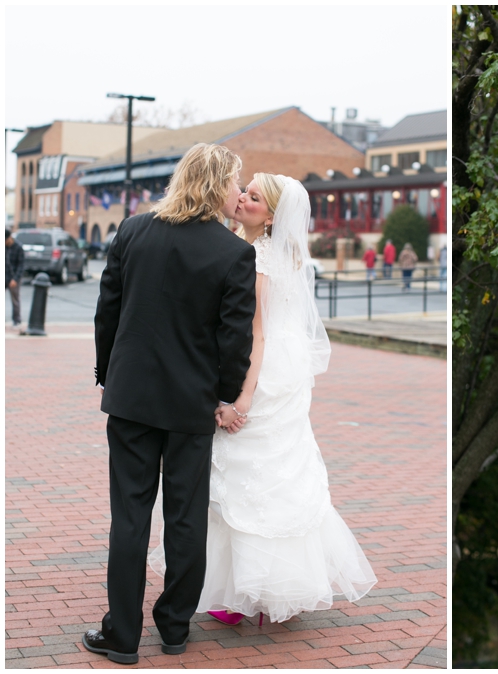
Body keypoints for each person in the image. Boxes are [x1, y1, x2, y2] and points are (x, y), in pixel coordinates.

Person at [149, 173, 376, 625]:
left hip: (262, 373)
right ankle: (260, 588)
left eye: (253, 197)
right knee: (274, 473)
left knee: (241, 472)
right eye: (245, 191)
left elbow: (256, 334)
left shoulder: (256, 257)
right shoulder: (268, 249)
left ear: (271, 216)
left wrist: (243, 399)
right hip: (287, 371)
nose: (242, 199)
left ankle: (245, 591)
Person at [86, 144, 256, 665]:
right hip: (191, 405)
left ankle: (121, 635)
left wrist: (106, 372)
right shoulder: (233, 253)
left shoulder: (134, 230)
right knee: (186, 518)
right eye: (234, 182)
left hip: (133, 397)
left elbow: (107, 311)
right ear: (213, 183)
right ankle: (174, 626)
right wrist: (224, 395)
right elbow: (235, 341)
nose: (238, 192)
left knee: (130, 518)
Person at [5, 229, 24, 327]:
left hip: (14, 277)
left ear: (9, 238)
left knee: (15, 300)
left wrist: (15, 279)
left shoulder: (18, 247)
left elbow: (21, 266)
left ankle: (16, 320)